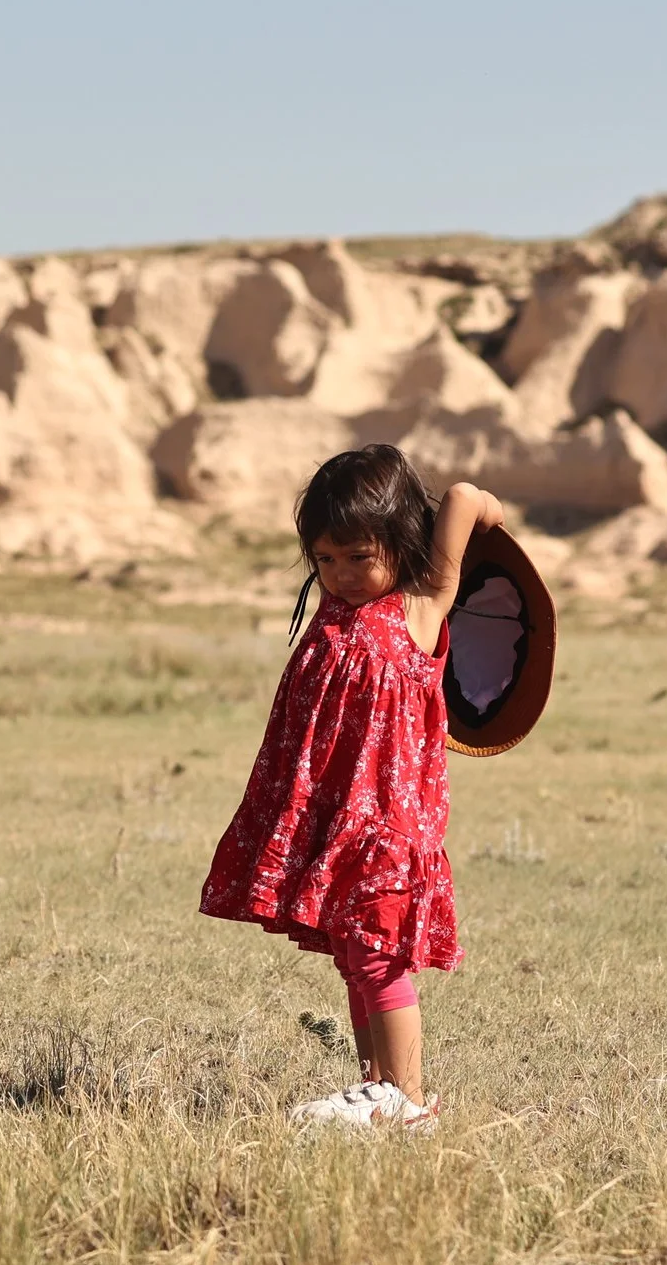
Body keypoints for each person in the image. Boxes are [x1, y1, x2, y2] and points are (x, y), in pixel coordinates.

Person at [199, 444, 505, 1130]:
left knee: (376, 951)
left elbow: (462, 496)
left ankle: (408, 1099)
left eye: (359, 556)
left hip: (387, 821)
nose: (340, 574)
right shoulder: (334, 608)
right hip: (335, 815)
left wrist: (493, 518)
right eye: (325, 559)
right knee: (353, 953)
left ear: (402, 542)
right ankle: (377, 1089)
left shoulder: (420, 605)